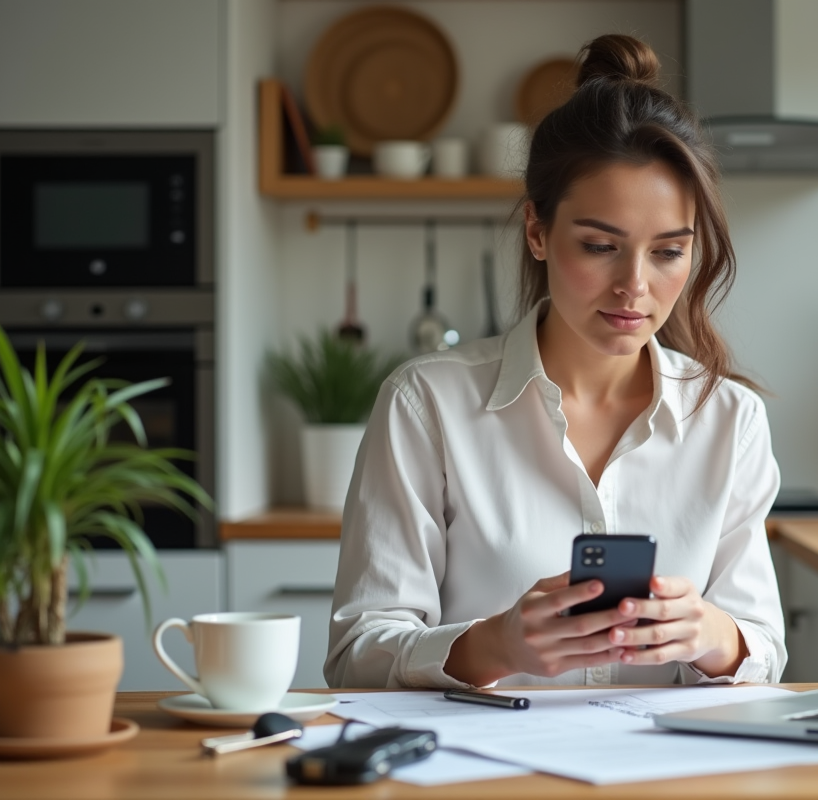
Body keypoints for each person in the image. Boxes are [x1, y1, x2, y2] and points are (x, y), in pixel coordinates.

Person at [325, 33, 787, 689]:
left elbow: (764, 651)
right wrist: (495, 646)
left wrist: (714, 636)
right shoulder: (425, 404)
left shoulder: (729, 418)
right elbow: (356, 657)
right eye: (601, 246)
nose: (635, 285)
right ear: (537, 232)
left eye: (668, 251)